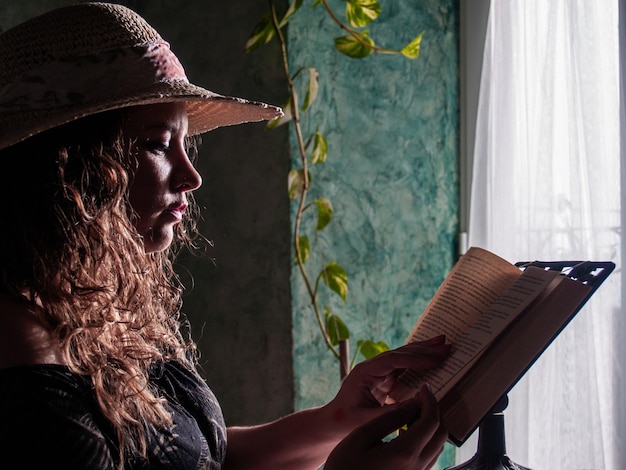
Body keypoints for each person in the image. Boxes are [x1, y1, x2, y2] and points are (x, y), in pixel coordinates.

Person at [0, 3, 451, 469]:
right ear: (67, 168)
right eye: (157, 144)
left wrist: (338, 418)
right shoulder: (21, 357)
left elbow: (201, 458)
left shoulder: (86, 304)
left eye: (184, 142)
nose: (191, 175)